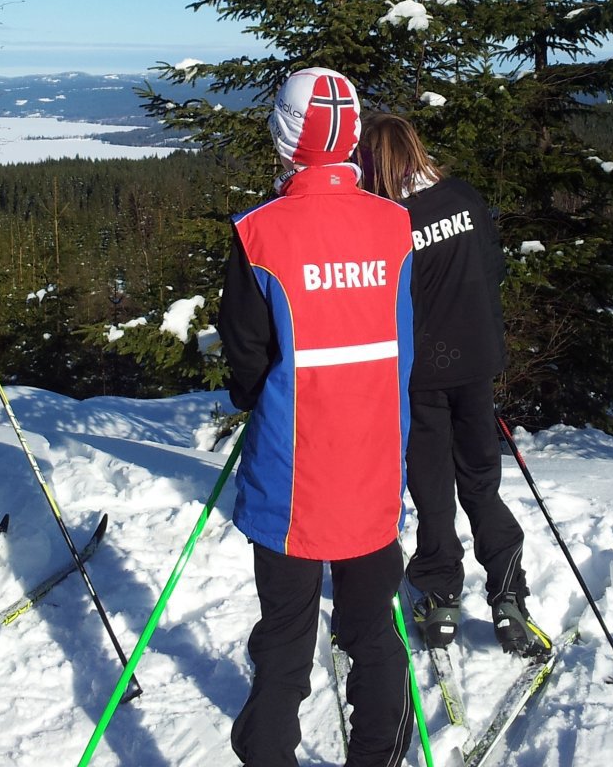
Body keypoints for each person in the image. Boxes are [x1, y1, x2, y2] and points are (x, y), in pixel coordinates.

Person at [220, 67, 417, 767]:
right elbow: (403, 348)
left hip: (289, 478)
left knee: (285, 635)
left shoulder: (259, 234)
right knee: (372, 630)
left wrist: (253, 396)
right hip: (371, 468)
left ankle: (269, 752)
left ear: (284, 135)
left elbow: (246, 361)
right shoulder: (394, 225)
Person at [358, 113, 540, 657]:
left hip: (421, 375)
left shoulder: (386, 220)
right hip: (476, 363)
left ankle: (439, 597)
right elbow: (493, 269)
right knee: (481, 481)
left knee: (432, 487)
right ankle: (508, 596)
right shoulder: (464, 198)